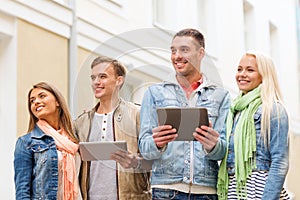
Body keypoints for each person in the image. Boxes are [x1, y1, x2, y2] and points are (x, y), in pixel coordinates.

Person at [138, 28, 231, 199]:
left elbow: (224, 150)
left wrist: (213, 145)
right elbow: (144, 148)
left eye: (184, 50)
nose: (177, 56)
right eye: (173, 50)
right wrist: (157, 143)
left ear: (200, 53)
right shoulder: (154, 94)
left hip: (206, 191)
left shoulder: (220, 96)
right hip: (165, 190)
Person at [74, 56, 151, 200]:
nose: (96, 82)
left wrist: (136, 162)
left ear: (119, 80)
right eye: (93, 78)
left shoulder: (138, 115)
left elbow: (156, 162)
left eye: (102, 76)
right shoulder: (80, 123)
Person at [217, 51, 290, 200]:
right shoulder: (234, 110)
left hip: (259, 189)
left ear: (264, 75)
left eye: (250, 70)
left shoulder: (273, 109)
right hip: (233, 189)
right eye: (239, 69)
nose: (242, 74)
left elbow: (280, 161)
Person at [14, 82, 82, 200]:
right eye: (32, 100)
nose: (36, 102)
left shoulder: (74, 139)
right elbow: (22, 191)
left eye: (42, 96)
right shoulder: (26, 143)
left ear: (58, 102)